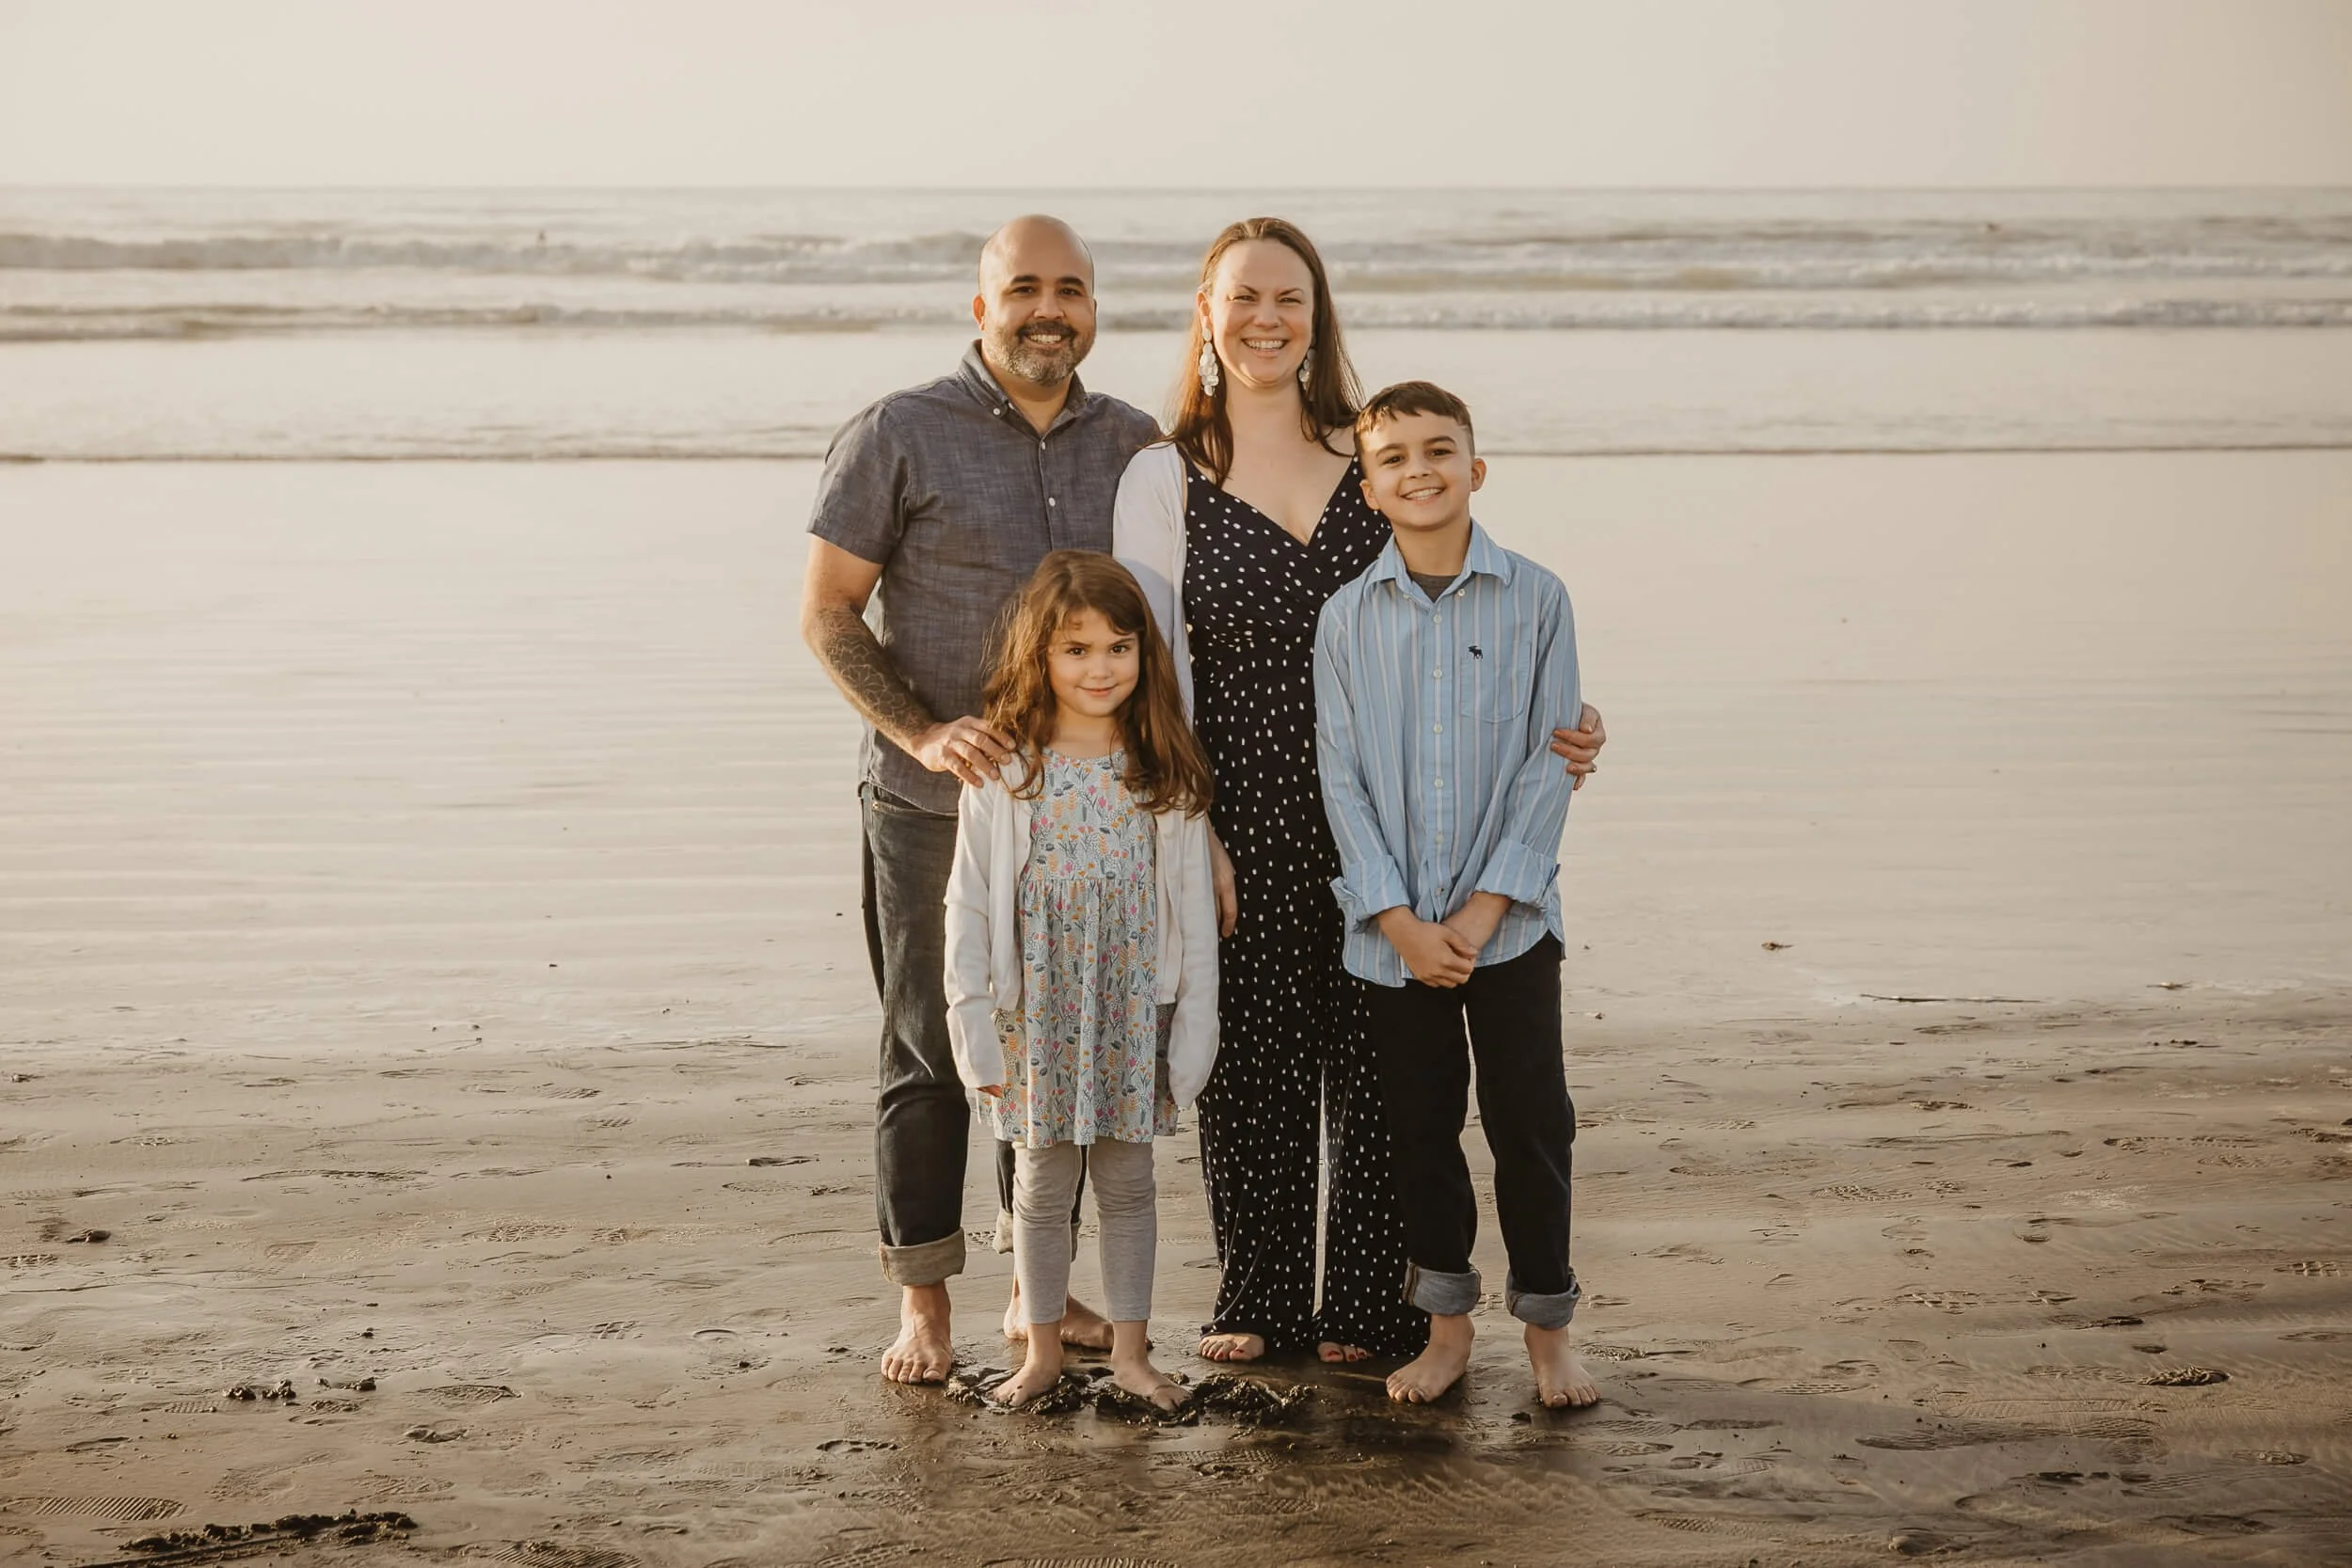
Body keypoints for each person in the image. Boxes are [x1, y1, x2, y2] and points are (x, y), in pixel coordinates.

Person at [1115, 219, 1610, 1365]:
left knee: (1388, 1068)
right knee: (1251, 1059)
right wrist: (1193, 829)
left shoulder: (1373, 448)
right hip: (1235, 802)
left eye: (1288, 296)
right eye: (1241, 297)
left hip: (1393, 813)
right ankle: (1260, 1291)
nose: (1265, 318)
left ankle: (1374, 1305)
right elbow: (1156, 664)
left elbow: (1468, 607)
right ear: (1205, 313)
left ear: (1316, 312)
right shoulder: (1164, 473)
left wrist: (1565, 723)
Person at [801, 216, 1161, 1384]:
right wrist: (918, 725)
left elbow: (1173, 622)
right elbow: (827, 614)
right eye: (1022, 288)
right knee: (929, 1046)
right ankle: (924, 1305)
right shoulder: (899, 431)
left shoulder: (1137, 445)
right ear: (980, 305)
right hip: (929, 802)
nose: (1047, 308)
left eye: (1070, 288)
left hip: (1082, 811)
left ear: (1094, 306)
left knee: (1047, 1050)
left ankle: (1033, 1295)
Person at [1313, 381, 1598, 1409]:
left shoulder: (1540, 598)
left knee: (1532, 1124)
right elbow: (1337, 774)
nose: (1419, 469)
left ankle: (1548, 1329)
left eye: (1440, 450)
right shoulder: (1346, 618)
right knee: (1417, 1132)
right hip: (1392, 937)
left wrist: (1481, 912)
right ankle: (1444, 1328)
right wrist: (1394, 918)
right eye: (1393, 456)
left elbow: (1549, 759)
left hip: (1510, 928)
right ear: (1370, 485)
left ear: (1474, 469)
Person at [944, 552, 1219, 1410]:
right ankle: (1043, 1352)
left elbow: (1195, 925)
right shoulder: (1006, 773)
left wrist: (1193, 1032)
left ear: (1145, 656)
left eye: (1119, 648)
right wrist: (973, 1026)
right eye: (1077, 650)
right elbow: (968, 907)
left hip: (1134, 1007)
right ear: (1041, 657)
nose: (1100, 669)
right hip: (1039, 1011)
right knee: (1041, 1182)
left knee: (1129, 1182)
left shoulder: (1162, 773)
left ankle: (1135, 1354)